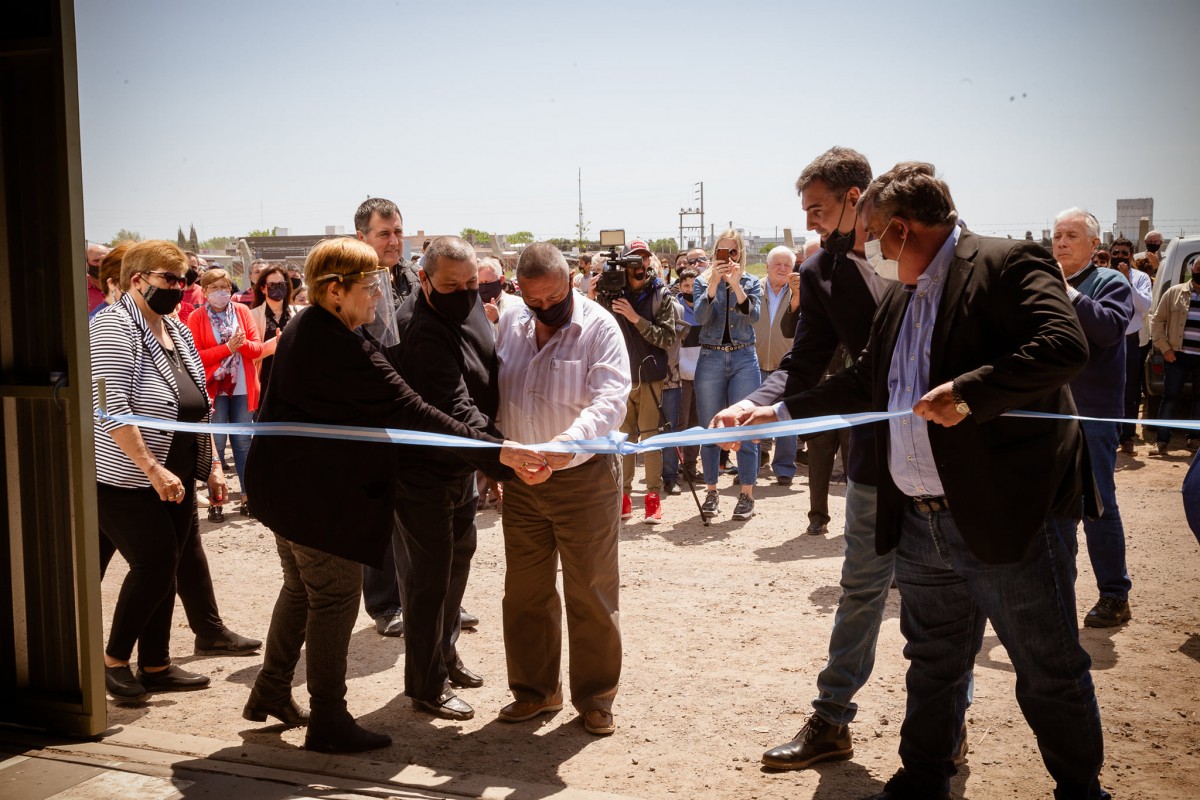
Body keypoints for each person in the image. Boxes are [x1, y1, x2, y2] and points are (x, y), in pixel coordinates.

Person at [736, 161, 1109, 800]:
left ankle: (1080, 790)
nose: (869, 249)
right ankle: (922, 778)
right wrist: (781, 410)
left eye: (876, 235)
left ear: (903, 231)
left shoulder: (1007, 263)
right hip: (918, 517)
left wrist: (970, 393)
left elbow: (1063, 345)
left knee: (1045, 665)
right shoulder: (903, 295)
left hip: (1001, 516)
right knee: (933, 661)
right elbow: (865, 382)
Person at [242, 237, 535, 752]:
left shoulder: (310, 327)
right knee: (333, 599)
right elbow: (414, 409)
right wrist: (498, 455)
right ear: (336, 292)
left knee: (299, 591)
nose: (379, 296)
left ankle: (269, 689)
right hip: (313, 501)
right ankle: (328, 719)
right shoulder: (336, 342)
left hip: (284, 492)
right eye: (368, 286)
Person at [715, 147, 899, 769]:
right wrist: (754, 403)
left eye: (818, 209)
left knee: (943, 602)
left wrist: (783, 411)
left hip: (951, 458)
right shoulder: (819, 271)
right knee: (860, 591)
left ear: (856, 197)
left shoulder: (919, 251)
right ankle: (832, 720)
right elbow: (803, 361)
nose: (812, 223)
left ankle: (942, 726)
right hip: (877, 458)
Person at [494, 242, 631, 736]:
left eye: (553, 299)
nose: (544, 310)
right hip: (523, 482)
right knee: (525, 592)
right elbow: (496, 390)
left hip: (583, 479)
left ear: (571, 280)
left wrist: (563, 447)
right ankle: (535, 692)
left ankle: (596, 697)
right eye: (533, 302)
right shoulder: (511, 322)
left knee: (591, 591)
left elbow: (611, 401)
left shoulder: (600, 328)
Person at [90, 240, 228, 699]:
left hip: (180, 470)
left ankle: (156, 663)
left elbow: (198, 405)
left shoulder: (177, 329)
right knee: (154, 562)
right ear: (137, 280)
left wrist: (210, 468)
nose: (180, 287)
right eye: (169, 279)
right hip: (128, 475)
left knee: (167, 567)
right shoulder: (113, 327)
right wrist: (151, 468)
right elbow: (112, 410)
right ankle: (113, 661)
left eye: (184, 279)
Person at [385, 236, 514, 721]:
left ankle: (445, 653)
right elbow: (453, 403)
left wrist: (485, 459)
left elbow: (486, 374)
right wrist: (501, 458)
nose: (464, 293)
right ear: (423, 278)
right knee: (428, 580)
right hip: (421, 471)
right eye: (451, 285)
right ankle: (424, 684)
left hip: (461, 462)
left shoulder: (468, 302)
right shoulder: (416, 328)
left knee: (458, 562)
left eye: (470, 284)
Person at [1053, 209, 1136, 629]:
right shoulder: (1043, 286)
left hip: (1094, 416)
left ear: (1093, 246)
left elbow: (1108, 330)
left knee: (1098, 506)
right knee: (1052, 508)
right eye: (1057, 235)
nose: (1062, 242)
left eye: (1071, 235)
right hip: (1048, 416)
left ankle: (1114, 595)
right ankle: (1054, 592)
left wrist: (1066, 293)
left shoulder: (1111, 283)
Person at [601, 239, 679, 523]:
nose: (639, 265)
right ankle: (623, 496)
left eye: (643, 259)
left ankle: (653, 498)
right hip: (620, 378)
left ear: (649, 262)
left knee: (650, 438)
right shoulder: (612, 291)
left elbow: (668, 337)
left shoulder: (660, 293)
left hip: (650, 376)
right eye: (633, 259)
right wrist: (597, 296)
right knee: (624, 439)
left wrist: (635, 318)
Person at [693, 229, 763, 521]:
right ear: (714, 254)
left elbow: (754, 316)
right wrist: (712, 285)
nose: (728, 257)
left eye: (733, 252)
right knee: (711, 428)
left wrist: (736, 285)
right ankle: (712, 491)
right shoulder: (701, 281)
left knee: (745, 428)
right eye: (722, 252)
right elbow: (700, 318)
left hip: (744, 356)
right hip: (710, 357)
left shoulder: (750, 281)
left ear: (740, 254)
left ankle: (746, 494)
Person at [186, 269, 264, 520]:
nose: (222, 292)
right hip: (213, 388)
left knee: (243, 443)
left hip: (242, 386)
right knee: (216, 445)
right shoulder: (197, 317)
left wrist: (240, 345)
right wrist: (226, 349)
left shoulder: (242, 312)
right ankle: (216, 500)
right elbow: (195, 356)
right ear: (205, 290)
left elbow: (257, 348)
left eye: (226, 288)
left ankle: (247, 496)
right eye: (215, 288)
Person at [754, 246, 801, 485]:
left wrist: (798, 295)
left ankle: (784, 468)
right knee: (754, 416)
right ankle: (753, 464)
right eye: (777, 264)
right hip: (756, 360)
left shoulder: (799, 291)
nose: (782, 269)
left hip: (786, 365)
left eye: (787, 265)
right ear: (767, 267)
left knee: (786, 417)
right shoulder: (754, 288)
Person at [1106, 238, 1153, 454]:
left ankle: (1127, 436)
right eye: (1115, 252)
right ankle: (1109, 433)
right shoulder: (1101, 275)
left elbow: (1144, 306)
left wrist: (1127, 281)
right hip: (1105, 340)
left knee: (1130, 391)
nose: (1119, 257)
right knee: (1105, 388)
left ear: (1131, 256)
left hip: (1129, 341)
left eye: (1124, 253)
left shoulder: (1141, 278)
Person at [1150, 260, 1200, 455]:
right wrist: (1165, 349)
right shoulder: (1174, 292)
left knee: (1199, 399)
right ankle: (1162, 441)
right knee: (1169, 398)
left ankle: (1194, 439)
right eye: (1198, 267)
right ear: (1191, 269)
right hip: (1177, 355)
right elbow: (1157, 320)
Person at [248, 264, 301, 396]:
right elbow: (247, 355)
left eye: (281, 284)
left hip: (295, 380)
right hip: (265, 382)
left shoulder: (298, 313)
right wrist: (271, 346)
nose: (277, 288)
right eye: (272, 285)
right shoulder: (252, 316)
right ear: (262, 288)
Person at [85, 241, 111, 313]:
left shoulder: (121, 287)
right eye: (96, 261)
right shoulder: (80, 289)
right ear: (87, 263)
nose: (100, 264)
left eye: (104, 260)